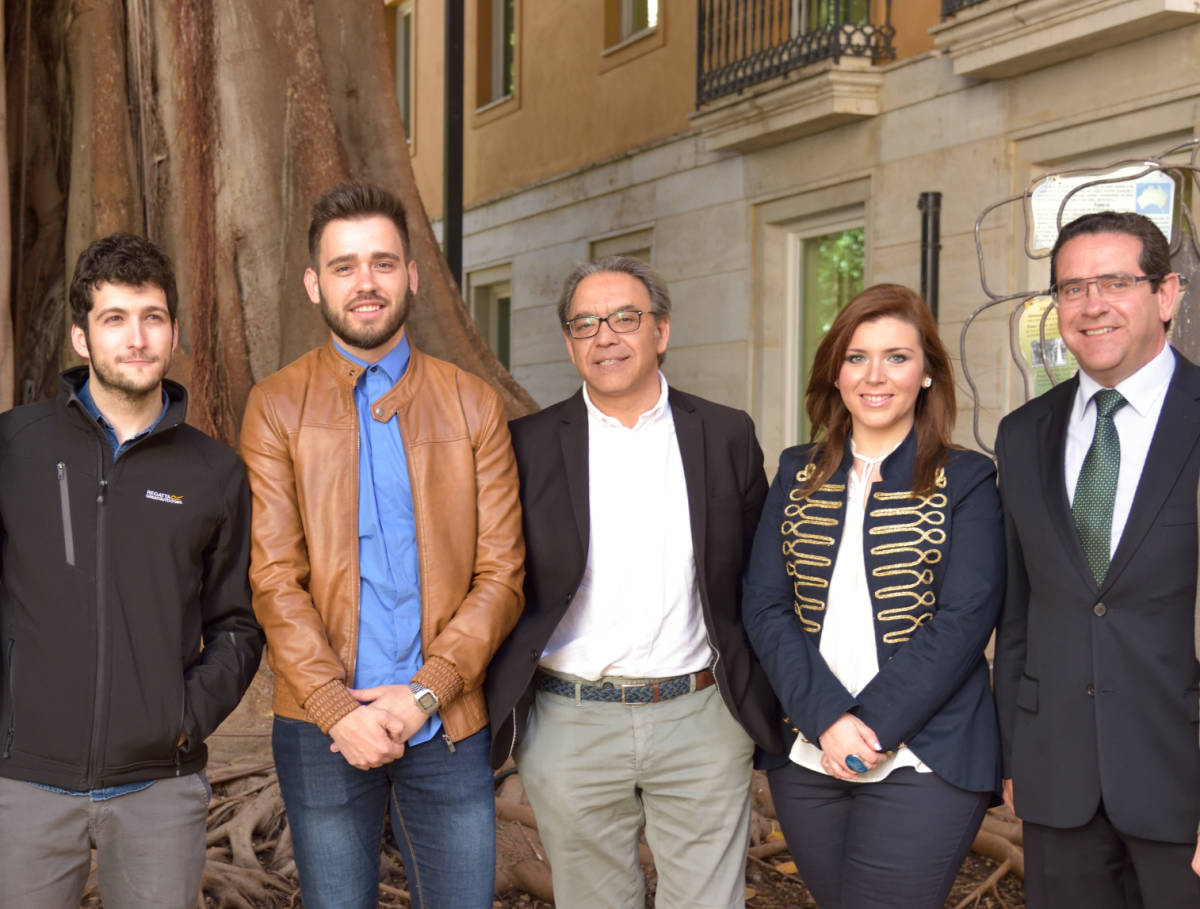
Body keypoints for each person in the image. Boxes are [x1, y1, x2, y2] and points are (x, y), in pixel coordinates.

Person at [239, 181, 524, 909]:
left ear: (413, 274)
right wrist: (339, 708)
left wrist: (426, 692)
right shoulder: (276, 404)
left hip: (447, 720)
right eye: (344, 266)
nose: (365, 282)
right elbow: (273, 577)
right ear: (314, 283)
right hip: (321, 727)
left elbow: (502, 576)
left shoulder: (471, 403)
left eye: (383, 263)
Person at [485, 255, 782, 909]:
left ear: (661, 331)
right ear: (569, 343)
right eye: (585, 324)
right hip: (572, 721)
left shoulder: (726, 433)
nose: (605, 336)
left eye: (624, 318)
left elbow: (762, 578)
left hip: (703, 715)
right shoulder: (526, 444)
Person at [0, 233, 263, 908]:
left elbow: (237, 623)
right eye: (114, 318)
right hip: (24, 784)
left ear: (174, 331)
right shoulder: (15, 447)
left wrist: (182, 717)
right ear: (82, 338)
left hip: (157, 789)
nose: (137, 337)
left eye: (152, 317)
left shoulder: (214, 472)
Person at [741, 283, 1003, 908]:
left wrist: (871, 726)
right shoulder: (795, 471)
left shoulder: (967, 478)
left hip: (927, 755)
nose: (875, 376)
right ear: (836, 373)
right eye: (857, 357)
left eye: (897, 356)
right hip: (808, 754)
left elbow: (965, 618)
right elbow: (765, 604)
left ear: (928, 373)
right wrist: (828, 720)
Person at [994, 210, 1200, 907]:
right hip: (1059, 781)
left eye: (1114, 281)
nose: (1091, 305)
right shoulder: (1023, 434)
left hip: (1184, 783)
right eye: (1072, 288)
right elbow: (1020, 608)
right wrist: (1016, 753)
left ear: (1166, 294)